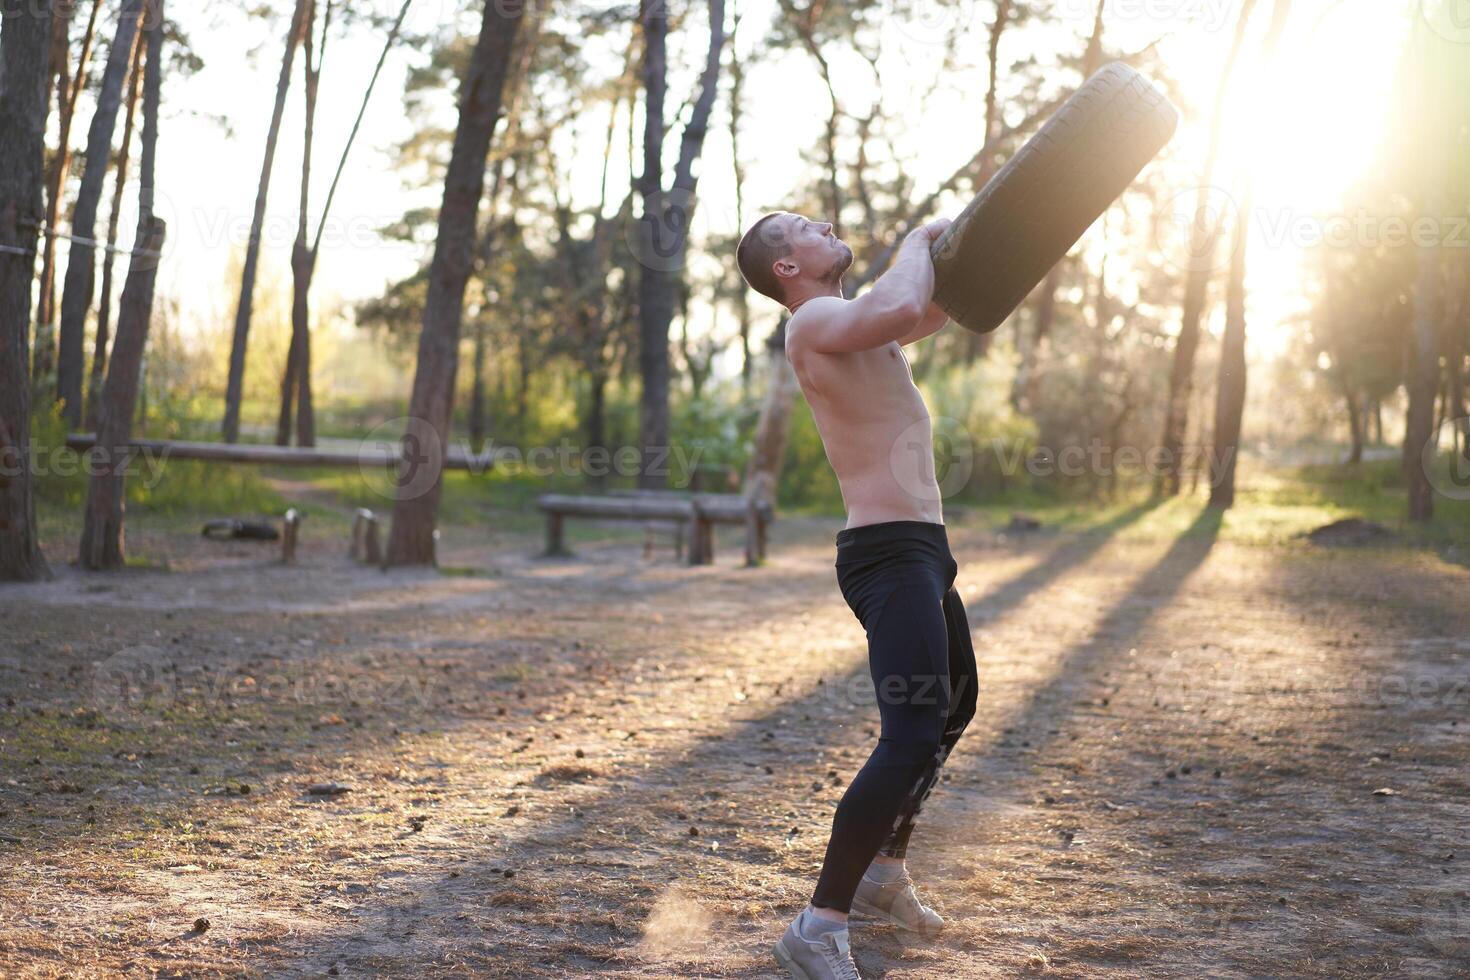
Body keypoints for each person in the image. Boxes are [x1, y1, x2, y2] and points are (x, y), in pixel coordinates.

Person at [736, 211, 979, 980]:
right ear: (786, 268)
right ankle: (818, 923)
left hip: (923, 547)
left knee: (953, 707)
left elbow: (931, 310)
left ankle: (883, 871)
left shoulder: (851, 326)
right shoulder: (812, 322)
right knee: (909, 733)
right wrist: (914, 240)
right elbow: (905, 305)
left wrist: (976, 243)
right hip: (887, 553)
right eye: (807, 226)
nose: (826, 224)